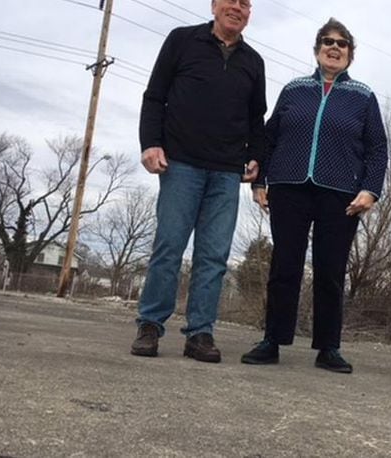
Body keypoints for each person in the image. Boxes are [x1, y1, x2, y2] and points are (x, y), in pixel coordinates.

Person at [240, 18, 388, 374]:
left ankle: (329, 347)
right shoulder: (293, 90)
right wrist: (259, 182)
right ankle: (272, 340)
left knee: (330, 269)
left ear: (350, 55)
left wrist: (370, 189)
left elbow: (377, 148)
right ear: (316, 50)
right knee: (284, 265)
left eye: (341, 43)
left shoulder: (363, 97)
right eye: (327, 42)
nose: (334, 47)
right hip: (289, 187)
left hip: (340, 194)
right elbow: (270, 136)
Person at [130, 0, 266, 363]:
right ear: (214, 5)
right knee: (169, 246)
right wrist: (150, 143)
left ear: (249, 12)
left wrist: (257, 158)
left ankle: (200, 333)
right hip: (181, 164)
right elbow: (154, 96)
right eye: (230, 1)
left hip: (226, 171)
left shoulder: (254, 62)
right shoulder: (181, 41)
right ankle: (150, 325)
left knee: (214, 255)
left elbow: (257, 118)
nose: (237, 8)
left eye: (245, 3)